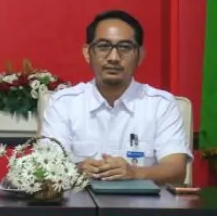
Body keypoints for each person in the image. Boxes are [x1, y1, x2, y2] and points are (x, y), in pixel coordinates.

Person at [41, 10, 191, 184]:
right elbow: (46, 167)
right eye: (103, 46)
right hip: (81, 200)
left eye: (125, 47)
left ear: (140, 55)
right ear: (87, 53)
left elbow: (176, 170)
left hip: (142, 202)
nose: (113, 58)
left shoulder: (161, 105)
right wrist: (78, 169)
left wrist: (135, 173)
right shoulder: (64, 104)